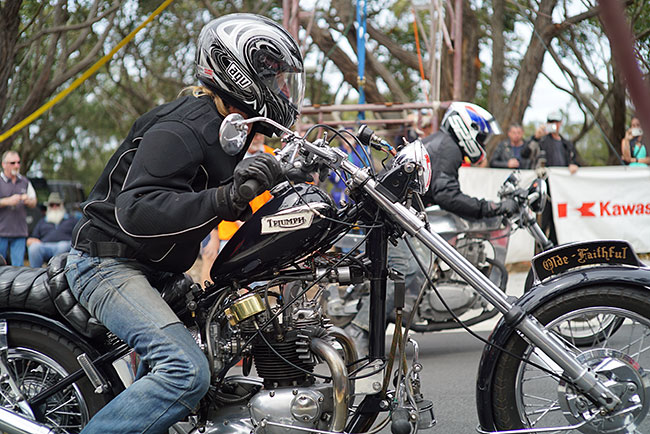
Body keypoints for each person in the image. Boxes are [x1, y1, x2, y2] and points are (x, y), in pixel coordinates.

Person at [64, 13, 304, 433]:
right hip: (107, 264)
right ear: (240, 72)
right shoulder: (184, 126)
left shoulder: (228, 128)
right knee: (186, 372)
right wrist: (225, 197)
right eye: (276, 78)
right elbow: (136, 209)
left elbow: (214, 201)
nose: (283, 90)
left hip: (154, 269)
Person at [344, 102, 515, 355]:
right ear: (465, 128)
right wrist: (487, 207)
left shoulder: (443, 144)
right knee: (407, 267)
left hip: (394, 212)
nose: (481, 141)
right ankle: (358, 330)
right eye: (479, 135)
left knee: (417, 265)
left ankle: (383, 323)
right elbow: (447, 195)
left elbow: (439, 191)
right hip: (390, 214)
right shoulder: (448, 148)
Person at [199, 133, 274, 285]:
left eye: (261, 135)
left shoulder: (271, 155)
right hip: (230, 230)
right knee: (215, 268)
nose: (258, 138)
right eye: (254, 134)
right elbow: (215, 194)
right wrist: (214, 235)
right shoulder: (231, 159)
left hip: (261, 228)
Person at [521, 111, 579, 244]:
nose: (554, 125)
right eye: (551, 122)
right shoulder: (541, 141)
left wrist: (574, 165)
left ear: (560, 123)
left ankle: (557, 254)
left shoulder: (566, 144)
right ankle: (539, 255)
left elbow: (575, 160)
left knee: (558, 224)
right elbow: (525, 154)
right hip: (544, 190)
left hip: (562, 191)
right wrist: (535, 137)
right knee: (541, 224)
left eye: (556, 122)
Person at [0, 150, 37, 265]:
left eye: (18, 162)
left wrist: (28, 200)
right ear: (4, 164)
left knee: (18, 269)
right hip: (1, 232)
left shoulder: (25, 181)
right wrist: (7, 201)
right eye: (13, 163)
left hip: (19, 232)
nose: (17, 165)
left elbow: (34, 201)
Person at [27, 192, 78, 267]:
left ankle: (55, 270)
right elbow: (33, 237)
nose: (54, 207)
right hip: (45, 246)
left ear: (62, 205)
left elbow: (78, 237)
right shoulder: (42, 221)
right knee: (34, 247)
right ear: (48, 206)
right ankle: (35, 274)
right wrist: (31, 241)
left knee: (62, 246)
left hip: (64, 245)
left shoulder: (71, 220)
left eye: (57, 204)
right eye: (51, 205)